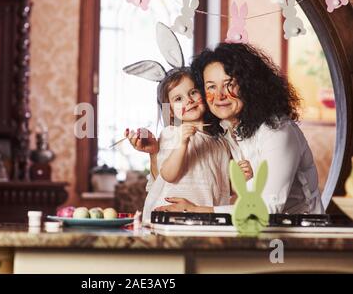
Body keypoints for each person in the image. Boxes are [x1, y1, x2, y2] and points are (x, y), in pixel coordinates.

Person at [154, 43, 324, 215]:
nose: (220, 95)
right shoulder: (225, 133)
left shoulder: (278, 131)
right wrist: (153, 152)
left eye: (229, 84)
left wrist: (197, 211)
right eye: (211, 86)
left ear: (249, 85)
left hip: (299, 235)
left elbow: (268, 208)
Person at [125, 67, 252, 224]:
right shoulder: (172, 133)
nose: (188, 100)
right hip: (172, 218)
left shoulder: (221, 141)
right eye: (178, 99)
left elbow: (223, 186)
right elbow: (167, 174)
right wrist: (182, 143)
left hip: (207, 218)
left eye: (193, 92)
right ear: (170, 111)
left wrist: (239, 179)